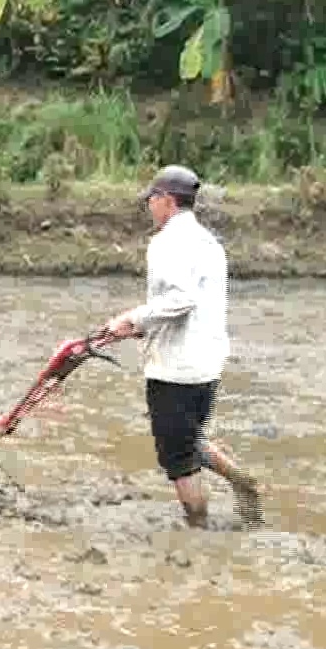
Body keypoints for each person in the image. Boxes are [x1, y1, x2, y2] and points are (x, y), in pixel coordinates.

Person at [103, 164, 263, 529]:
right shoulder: (208, 241)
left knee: (176, 457)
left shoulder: (167, 241)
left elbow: (180, 300)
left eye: (152, 200)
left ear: (166, 200)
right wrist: (140, 329)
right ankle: (241, 480)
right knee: (189, 437)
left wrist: (133, 319)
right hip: (207, 363)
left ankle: (198, 529)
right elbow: (197, 305)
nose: (149, 208)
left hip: (175, 369)